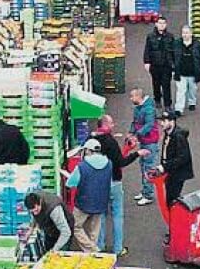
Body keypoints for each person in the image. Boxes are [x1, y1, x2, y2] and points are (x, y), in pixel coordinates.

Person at [92, 116, 143, 256]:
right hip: (114, 182)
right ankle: (118, 248)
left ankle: (100, 245)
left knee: (100, 215)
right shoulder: (111, 142)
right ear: (106, 125)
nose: (114, 125)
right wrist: (136, 154)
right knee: (117, 215)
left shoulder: (92, 141)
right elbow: (120, 162)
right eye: (111, 123)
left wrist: (126, 149)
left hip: (98, 183)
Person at [65, 139, 113, 253]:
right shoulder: (109, 164)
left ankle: (92, 250)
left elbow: (70, 183)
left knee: (75, 227)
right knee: (94, 231)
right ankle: (93, 258)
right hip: (101, 202)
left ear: (87, 150)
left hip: (83, 203)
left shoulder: (82, 166)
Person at [130, 89, 163, 208]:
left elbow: (148, 125)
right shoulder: (139, 108)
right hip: (144, 141)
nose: (130, 98)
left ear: (138, 97)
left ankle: (148, 195)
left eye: (132, 96)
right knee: (143, 166)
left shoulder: (148, 109)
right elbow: (135, 123)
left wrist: (136, 134)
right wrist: (131, 132)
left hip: (149, 142)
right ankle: (145, 191)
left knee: (148, 168)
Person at [158, 111, 193, 208]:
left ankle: (174, 220)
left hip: (177, 174)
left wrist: (164, 166)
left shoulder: (178, 137)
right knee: (170, 197)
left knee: (171, 199)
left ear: (172, 122)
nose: (161, 123)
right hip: (170, 171)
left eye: (164, 121)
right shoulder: (168, 132)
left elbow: (183, 158)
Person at [143, 20, 178, 112]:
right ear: (156, 24)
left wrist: (174, 64)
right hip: (155, 64)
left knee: (166, 85)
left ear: (166, 25)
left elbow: (174, 51)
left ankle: (167, 104)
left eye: (163, 23)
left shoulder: (170, 37)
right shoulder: (150, 36)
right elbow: (147, 50)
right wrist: (147, 62)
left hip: (166, 65)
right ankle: (157, 100)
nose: (161, 25)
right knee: (156, 84)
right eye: (160, 23)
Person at [174, 27, 200, 111]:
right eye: (183, 33)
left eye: (187, 33)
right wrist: (173, 67)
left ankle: (192, 102)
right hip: (180, 72)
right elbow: (171, 55)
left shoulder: (198, 45)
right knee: (181, 92)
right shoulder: (176, 43)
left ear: (191, 34)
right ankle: (178, 109)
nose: (185, 35)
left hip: (193, 73)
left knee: (192, 90)